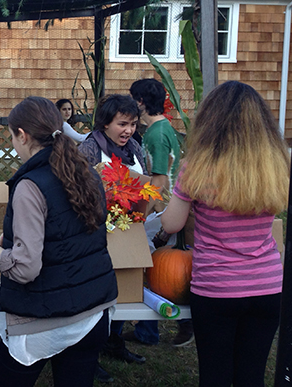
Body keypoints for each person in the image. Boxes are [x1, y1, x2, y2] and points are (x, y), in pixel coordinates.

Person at [0, 96, 118, 387]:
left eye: (13, 137)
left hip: (42, 321)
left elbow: (26, 269)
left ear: (23, 135)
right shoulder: (87, 173)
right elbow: (68, 233)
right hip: (91, 311)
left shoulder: (30, 185)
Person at [161, 81, 287, 387]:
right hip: (268, 286)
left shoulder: (197, 168)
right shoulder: (275, 165)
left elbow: (170, 225)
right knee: (252, 377)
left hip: (217, 288)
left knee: (215, 377)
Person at [77, 94, 146, 382]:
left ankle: (114, 341)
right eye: (122, 124)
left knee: (124, 291)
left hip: (128, 229)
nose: (128, 130)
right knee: (94, 299)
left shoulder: (135, 148)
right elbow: (76, 190)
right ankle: (87, 355)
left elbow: (146, 184)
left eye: (132, 124)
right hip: (95, 231)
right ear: (105, 123)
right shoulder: (89, 149)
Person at [128, 78, 191, 348]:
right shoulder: (162, 128)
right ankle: (146, 330)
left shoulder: (156, 133)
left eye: (133, 99)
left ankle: (183, 325)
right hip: (164, 206)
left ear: (140, 102)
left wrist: (146, 211)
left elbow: (161, 179)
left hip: (162, 208)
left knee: (152, 266)